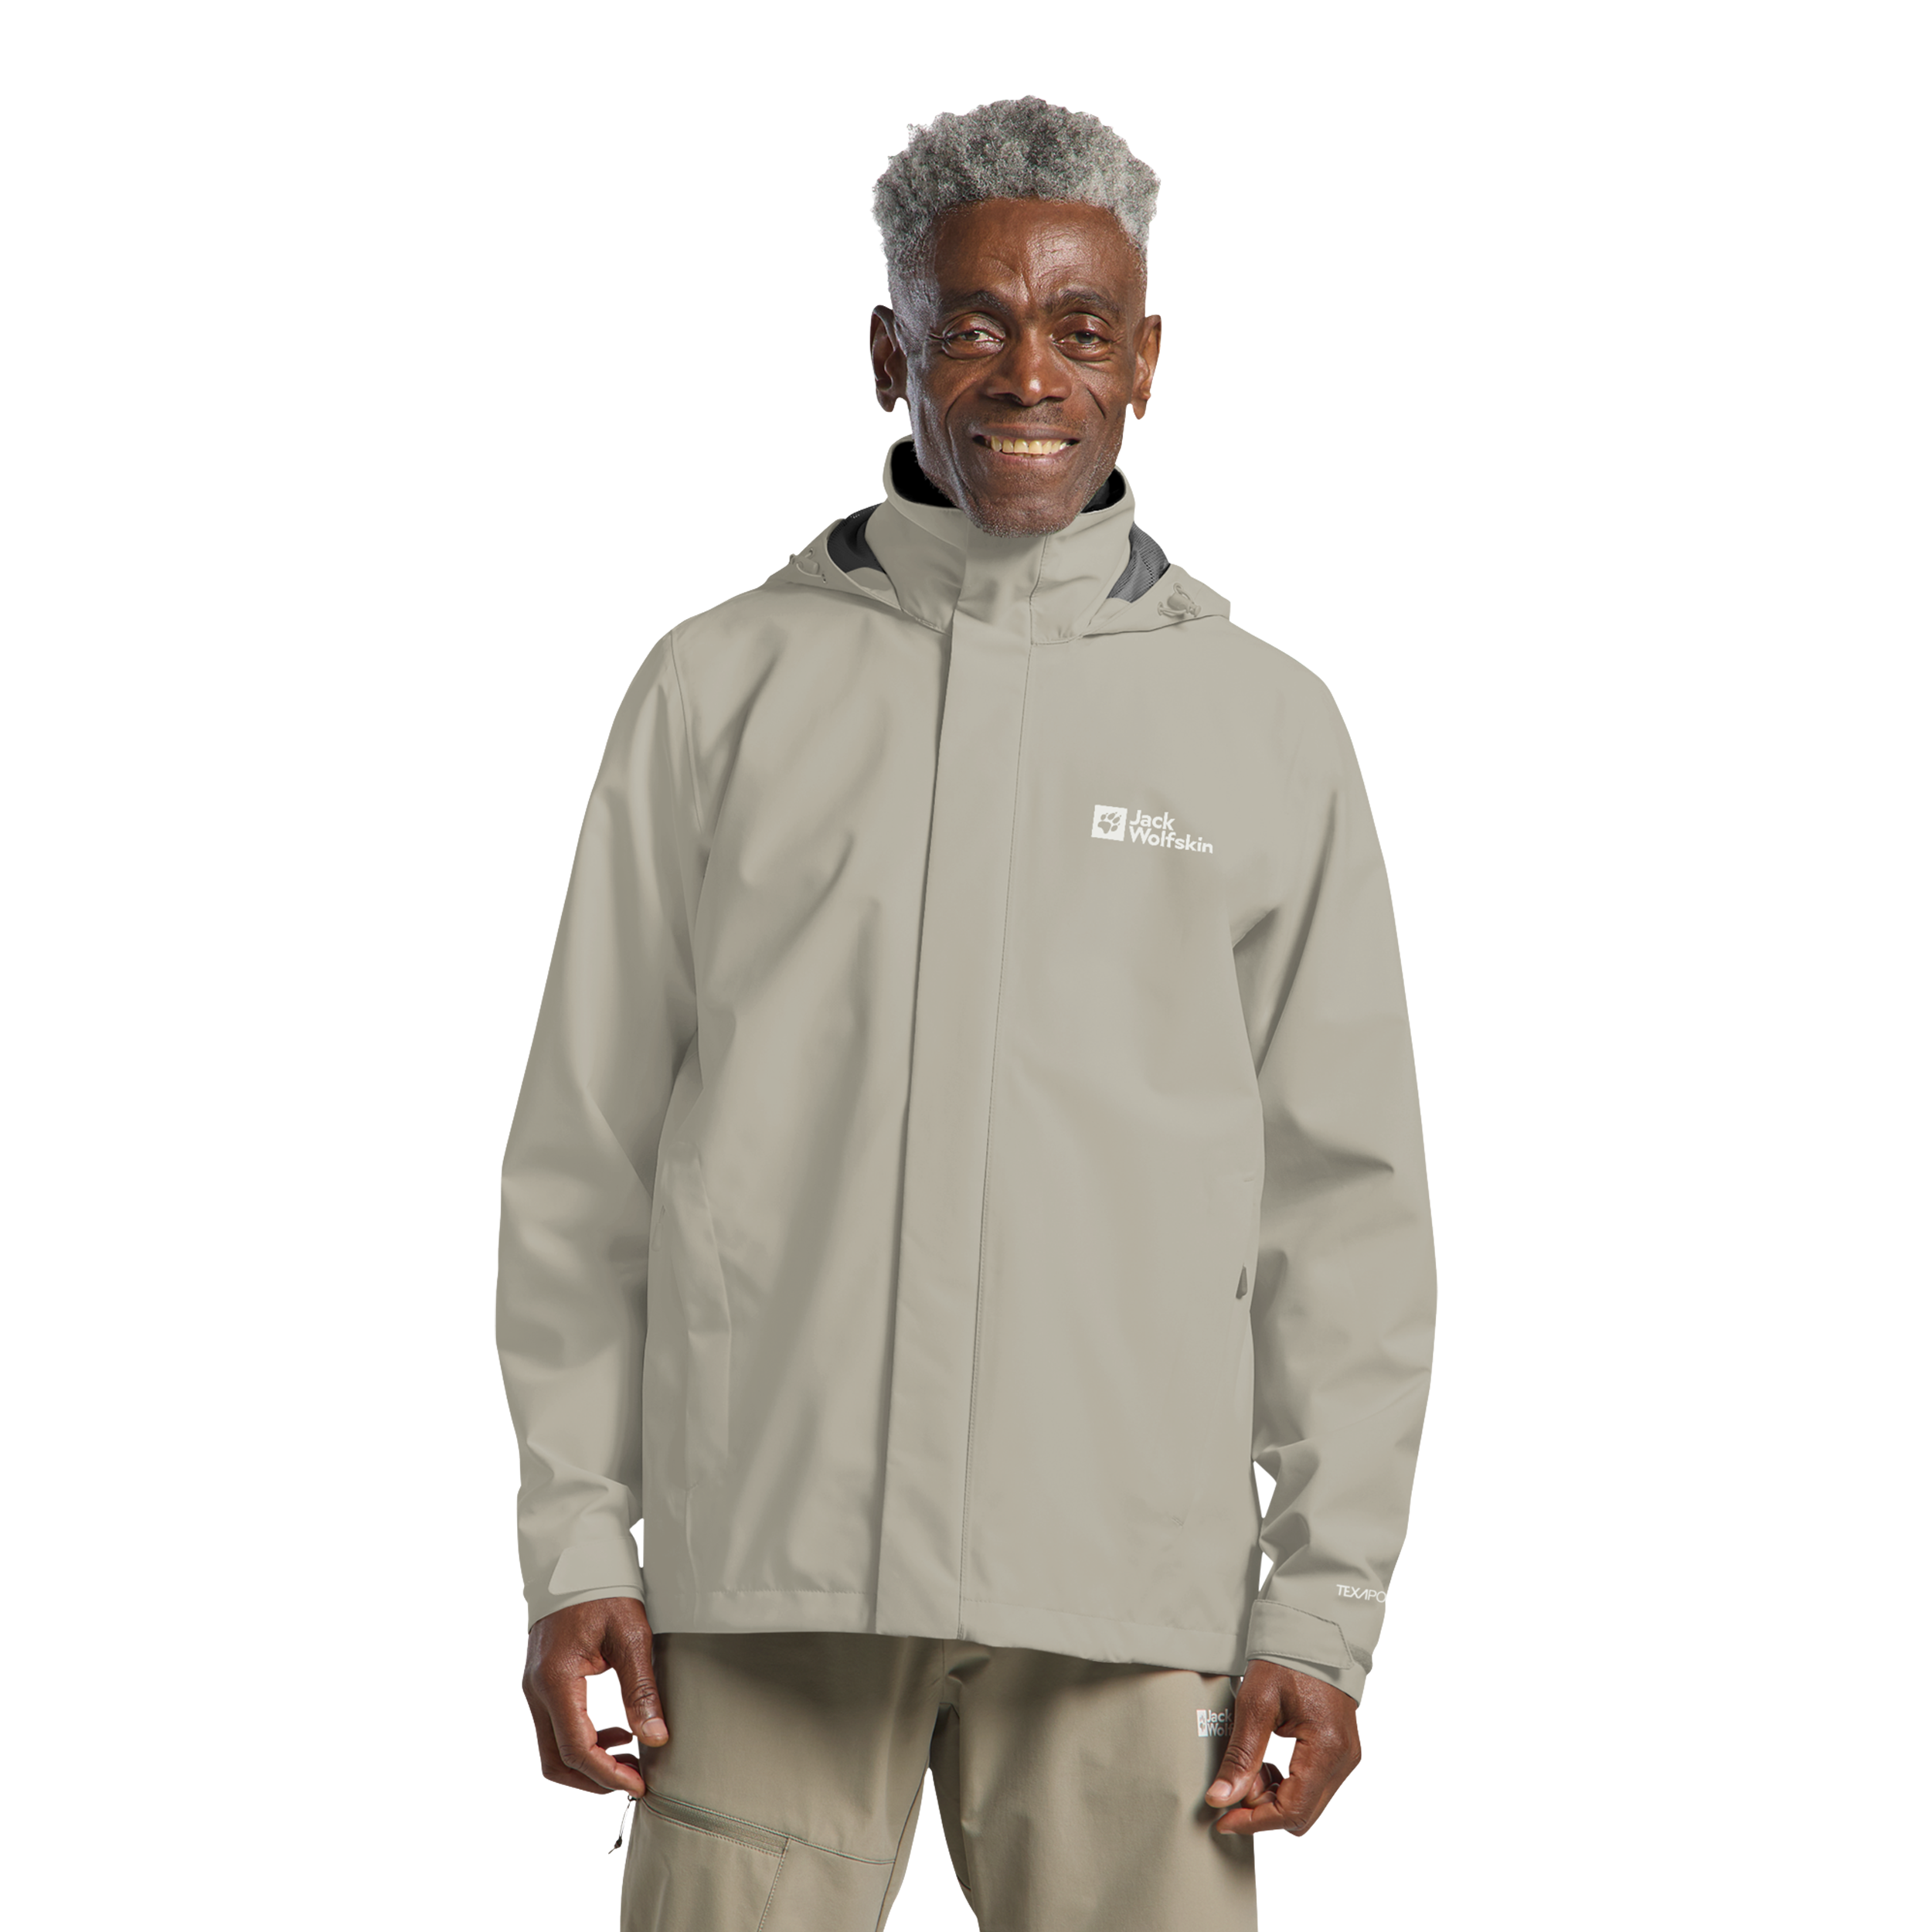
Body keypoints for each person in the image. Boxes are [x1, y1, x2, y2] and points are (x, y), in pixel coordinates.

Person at [498, 96, 1434, 1931]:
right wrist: (573, 1541)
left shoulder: (1260, 725)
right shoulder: (726, 687)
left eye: (1081, 327)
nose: (1028, 375)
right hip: (759, 1568)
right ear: (889, 355)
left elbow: (1343, 1207)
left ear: (1146, 363)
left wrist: (1321, 1607)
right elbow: (583, 1159)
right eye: (973, 325)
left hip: (1125, 1583)